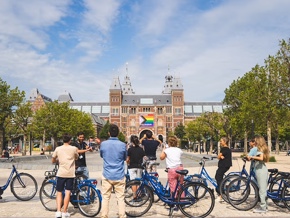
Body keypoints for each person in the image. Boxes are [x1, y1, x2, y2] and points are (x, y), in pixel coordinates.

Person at [100, 124, 127, 218]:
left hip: (107, 174)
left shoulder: (103, 144)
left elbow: (102, 155)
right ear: (118, 133)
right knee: (120, 198)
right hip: (119, 175)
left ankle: (104, 216)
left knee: (106, 197)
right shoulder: (123, 145)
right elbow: (124, 158)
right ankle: (122, 215)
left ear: (109, 133)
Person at [52, 133, 79, 218]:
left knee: (59, 192)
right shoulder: (74, 148)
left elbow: (53, 159)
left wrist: (57, 160)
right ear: (70, 140)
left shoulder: (58, 149)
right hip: (70, 174)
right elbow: (76, 157)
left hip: (61, 173)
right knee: (68, 192)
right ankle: (64, 212)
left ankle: (58, 211)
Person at [247, 135, 269, 213]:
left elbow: (261, 158)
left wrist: (253, 156)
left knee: (262, 190)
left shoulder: (261, 149)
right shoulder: (260, 149)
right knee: (262, 189)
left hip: (261, 171)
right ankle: (265, 205)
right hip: (260, 169)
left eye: (256, 140)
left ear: (258, 141)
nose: (254, 142)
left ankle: (263, 208)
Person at [126, 135, 145, 200]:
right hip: (139, 167)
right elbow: (144, 157)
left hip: (132, 167)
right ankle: (138, 195)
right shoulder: (141, 149)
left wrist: (127, 162)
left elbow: (128, 159)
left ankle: (134, 196)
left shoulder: (130, 149)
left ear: (131, 141)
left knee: (133, 182)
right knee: (138, 182)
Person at [215, 136, 232, 202]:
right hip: (225, 166)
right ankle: (222, 193)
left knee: (218, 178)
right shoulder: (227, 149)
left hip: (223, 166)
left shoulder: (224, 148)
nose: (220, 142)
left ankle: (221, 195)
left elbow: (218, 156)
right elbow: (220, 156)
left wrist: (220, 156)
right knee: (219, 178)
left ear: (225, 142)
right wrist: (220, 156)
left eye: (221, 141)